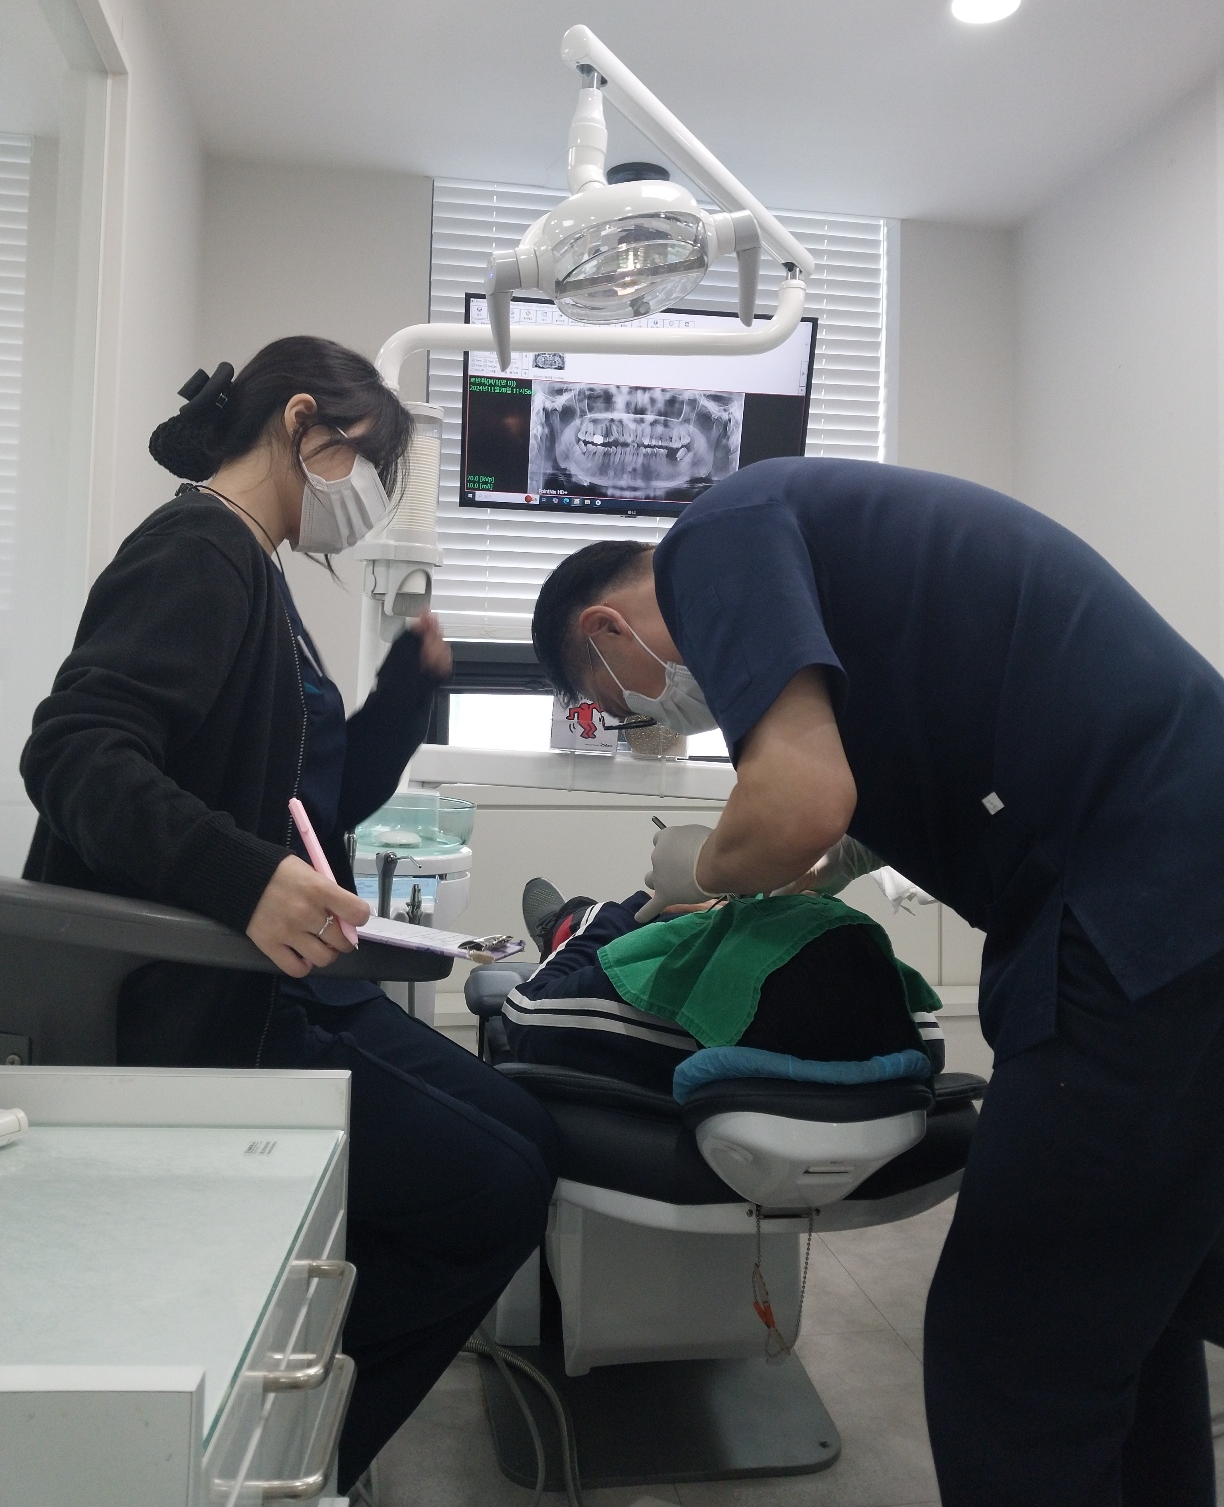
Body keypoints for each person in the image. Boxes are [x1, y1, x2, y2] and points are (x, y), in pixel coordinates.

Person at [530, 456, 1224, 1507]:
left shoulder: (717, 534)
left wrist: (699, 867)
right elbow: (878, 775)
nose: (649, 716)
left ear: (606, 630)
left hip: (1138, 901)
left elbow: (798, 802)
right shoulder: (819, 554)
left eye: (615, 706)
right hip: (1174, 878)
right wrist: (821, 861)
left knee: (1014, 1346)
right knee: (1128, 1305)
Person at [21, 338, 559, 1492]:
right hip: (205, 1000)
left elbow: (319, 803)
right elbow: (73, 755)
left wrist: (409, 691)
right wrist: (246, 879)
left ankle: (306, 1403)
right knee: (498, 1186)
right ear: (304, 421)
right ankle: (300, 1454)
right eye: (371, 466)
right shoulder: (196, 551)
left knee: (524, 1137)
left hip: (283, 980)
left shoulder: (258, 574)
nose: (366, 503)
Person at [504, 875, 944, 1089]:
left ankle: (574, 923)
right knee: (785, 911)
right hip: (822, 945)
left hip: (754, 988)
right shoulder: (896, 1018)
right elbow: (929, 1037)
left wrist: (635, 910)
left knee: (623, 913)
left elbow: (524, 1014)